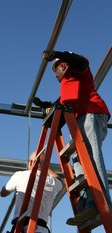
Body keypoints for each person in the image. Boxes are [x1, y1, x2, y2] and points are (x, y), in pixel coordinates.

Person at [33, 50, 112, 226]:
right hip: (78, 122)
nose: (55, 76)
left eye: (56, 70)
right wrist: (45, 106)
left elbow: (81, 62)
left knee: (91, 160)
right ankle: (87, 208)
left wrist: (56, 53)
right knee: (79, 166)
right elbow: (58, 106)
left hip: (91, 114)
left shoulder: (77, 72)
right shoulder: (66, 90)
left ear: (64, 65)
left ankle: (101, 205)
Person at [0, 151, 63, 233]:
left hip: (22, 227)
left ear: (30, 162)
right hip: (42, 229)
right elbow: (60, 181)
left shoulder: (20, 175)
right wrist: (45, 167)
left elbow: (3, 193)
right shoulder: (52, 181)